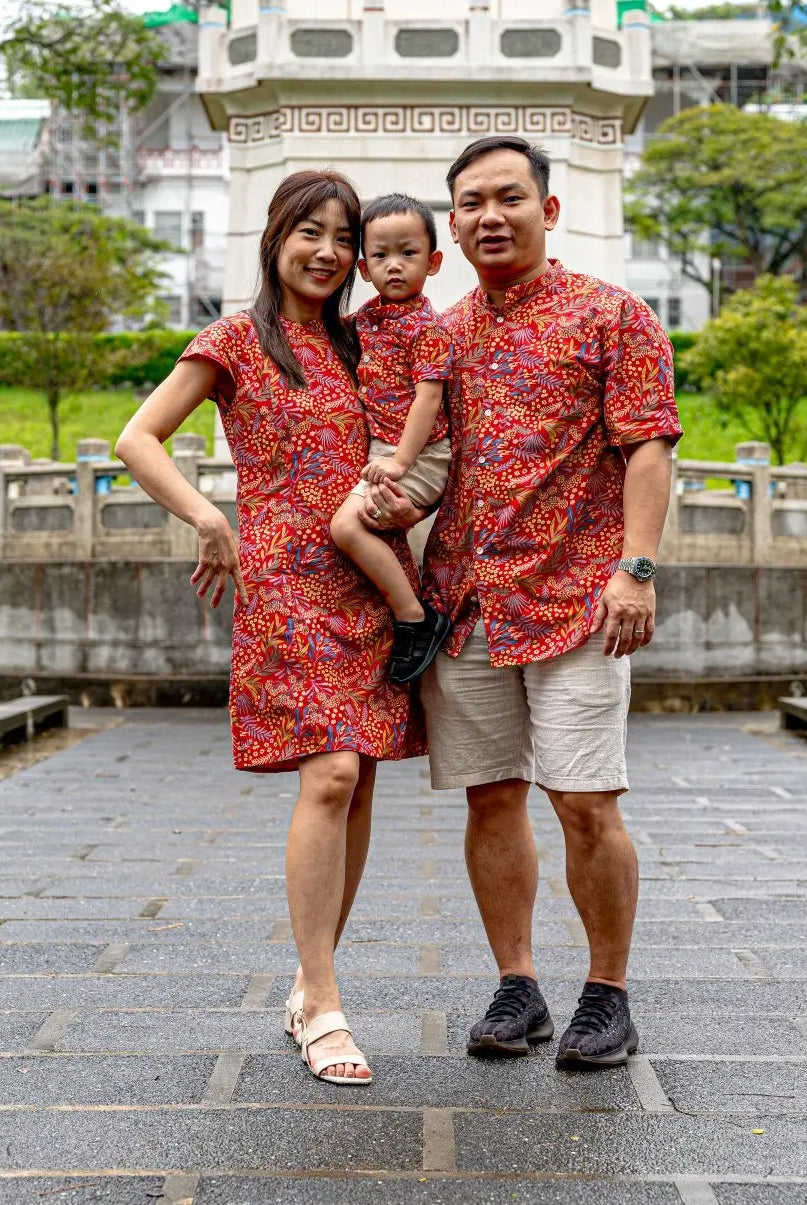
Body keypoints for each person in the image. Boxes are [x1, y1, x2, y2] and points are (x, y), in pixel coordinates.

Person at [366, 135, 683, 1069]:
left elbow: (648, 447)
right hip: (465, 601)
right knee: (491, 799)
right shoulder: (445, 332)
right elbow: (432, 461)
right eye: (470, 203)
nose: (488, 216)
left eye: (509, 198)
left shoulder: (613, 317)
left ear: (548, 210)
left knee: (585, 800)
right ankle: (517, 982)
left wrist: (637, 567)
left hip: (579, 599)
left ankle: (607, 992)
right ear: (451, 226)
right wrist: (390, 498)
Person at [115, 169, 425, 1087]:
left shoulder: (363, 340)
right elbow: (139, 437)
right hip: (286, 581)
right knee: (329, 770)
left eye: (344, 237)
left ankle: (306, 979)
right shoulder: (236, 340)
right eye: (311, 232)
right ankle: (324, 1002)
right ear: (275, 237)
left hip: (371, 579)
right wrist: (210, 519)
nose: (329, 252)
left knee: (358, 779)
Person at [330, 194, 453, 684]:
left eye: (408, 254)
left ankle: (415, 617)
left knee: (347, 528)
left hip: (421, 454)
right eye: (380, 256)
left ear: (434, 261)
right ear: (362, 267)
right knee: (351, 527)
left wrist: (401, 461)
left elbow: (427, 400)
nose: (394, 266)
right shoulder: (367, 321)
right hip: (385, 452)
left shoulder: (428, 328)